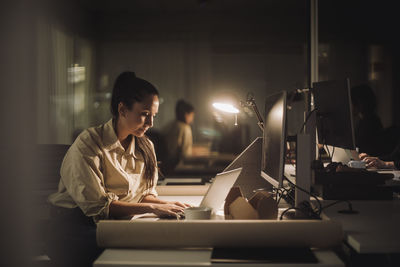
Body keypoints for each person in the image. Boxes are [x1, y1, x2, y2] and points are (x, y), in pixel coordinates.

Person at [46, 72, 190, 267]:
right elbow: (98, 207)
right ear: (122, 109)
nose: (151, 123)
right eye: (144, 114)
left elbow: (143, 195)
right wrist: (154, 207)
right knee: (136, 251)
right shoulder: (89, 143)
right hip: (74, 226)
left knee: (159, 243)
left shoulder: (146, 146)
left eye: (153, 116)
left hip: (115, 221)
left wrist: (168, 205)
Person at [160, 99, 195, 174]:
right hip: (179, 168)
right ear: (186, 115)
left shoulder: (169, 126)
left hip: (165, 166)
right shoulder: (185, 128)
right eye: (192, 116)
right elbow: (185, 154)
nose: (192, 119)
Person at [351, 84, 385, 156]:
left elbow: (362, 146)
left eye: (351, 102)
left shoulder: (370, 122)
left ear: (359, 103)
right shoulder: (364, 120)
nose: (350, 106)